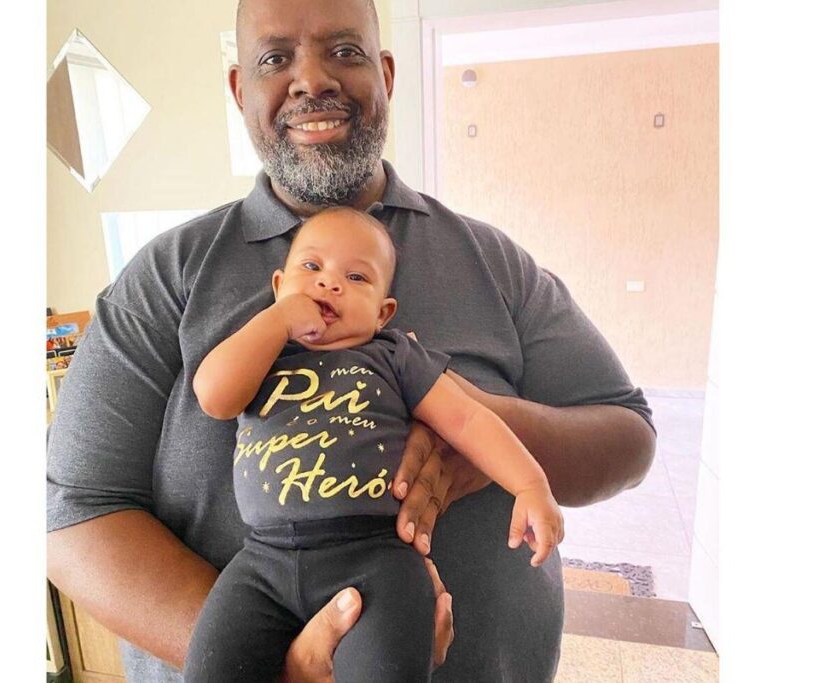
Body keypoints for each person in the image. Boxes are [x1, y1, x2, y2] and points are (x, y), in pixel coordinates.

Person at [46, 0, 657, 681]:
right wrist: (273, 664)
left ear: (386, 75)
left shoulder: (492, 261)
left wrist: (476, 430)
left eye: (345, 51)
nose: (312, 80)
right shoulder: (165, 277)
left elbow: (628, 435)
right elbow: (71, 514)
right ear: (240, 89)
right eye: (275, 58)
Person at [184, 207, 563, 682]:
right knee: (210, 671)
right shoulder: (261, 355)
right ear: (279, 286)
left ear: (383, 312)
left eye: (356, 277)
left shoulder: (394, 355)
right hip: (262, 565)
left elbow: (466, 419)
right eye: (311, 266)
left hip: (375, 560)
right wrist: (276, 322)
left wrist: (529, 484)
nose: (329, 283)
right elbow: (214, 397)